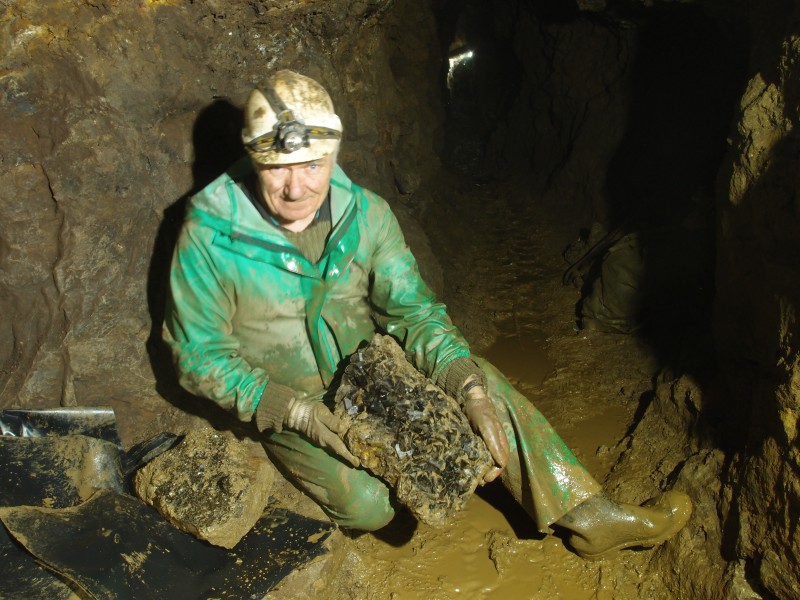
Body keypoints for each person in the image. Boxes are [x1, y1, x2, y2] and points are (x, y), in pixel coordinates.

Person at [163, 69, 692, 559]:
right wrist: (289, 410)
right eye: (276, 168)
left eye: (311, 166)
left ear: (334, 155)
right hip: (285, 395)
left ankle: (589, 514)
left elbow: (413, 313)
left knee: (481, 385)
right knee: (372, 505)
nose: (296, 188)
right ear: (254, 160)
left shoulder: (364, 214)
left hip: (373, 374)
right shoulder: (210, 233)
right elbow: (198, 355)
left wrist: (467, 389)